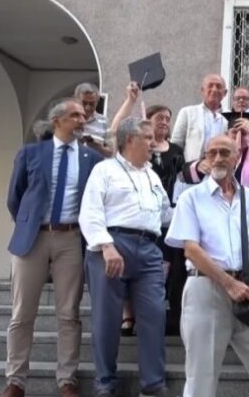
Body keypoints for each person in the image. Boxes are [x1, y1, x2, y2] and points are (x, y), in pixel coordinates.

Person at [165, 135, 249, 397]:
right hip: (206, 289)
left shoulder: (248, 197)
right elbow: (191, 249)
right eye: (212, 153)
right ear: (205, 159)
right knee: (201, 382)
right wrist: (228, 283)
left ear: (237, 157)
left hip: (246, 286)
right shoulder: (192, 197)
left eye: (224, 152)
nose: (218, 158)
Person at [2, 98, 103, 397]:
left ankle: (67, 379)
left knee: (69, 313)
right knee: (21, 313)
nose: (82, 119)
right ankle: (15, 381)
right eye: (75, 115)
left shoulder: (91, 159)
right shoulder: (31, 153)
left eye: (83, 116)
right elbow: (15, 197)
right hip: (32, 238)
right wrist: (29, 221)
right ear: (57, 120)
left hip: (71, 239)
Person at [79, 117, 171, 397]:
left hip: (149, 249)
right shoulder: (104, 170)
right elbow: (91, 212)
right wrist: (106, 247)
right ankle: (105, 382)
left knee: (154, 316)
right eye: (147, 137)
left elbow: (167, 214)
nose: (153, 143)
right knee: (107, 319)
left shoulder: (152, 175)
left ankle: (153, 385)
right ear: (129, 140)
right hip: (112, 244)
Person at [110, 82, 186, 336]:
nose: (164, 121)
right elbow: (114, 133)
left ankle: (150, 312)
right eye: (159, 117)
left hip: (165, 214)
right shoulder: (139, 147)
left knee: (161, 269)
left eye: (167, 118)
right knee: (132, 270)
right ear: (148, 121)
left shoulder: (176, 150)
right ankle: (128, 314)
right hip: (139, 214)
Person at [170, 73, 228, 163]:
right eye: (210, 86)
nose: (214, 89)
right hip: (192, 172)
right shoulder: (187, 113)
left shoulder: (229, 117)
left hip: (219, 170)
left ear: (225, 93)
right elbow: (176, 145)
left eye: (219, 86)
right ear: (202, 90)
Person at [75, 82, 113, 157]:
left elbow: (111, 153)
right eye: (84, 103)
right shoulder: (69, 118)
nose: (87, 107)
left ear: (97, 102)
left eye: (92, 104)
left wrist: (99, 148)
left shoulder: (104, 121)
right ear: (76, 100)